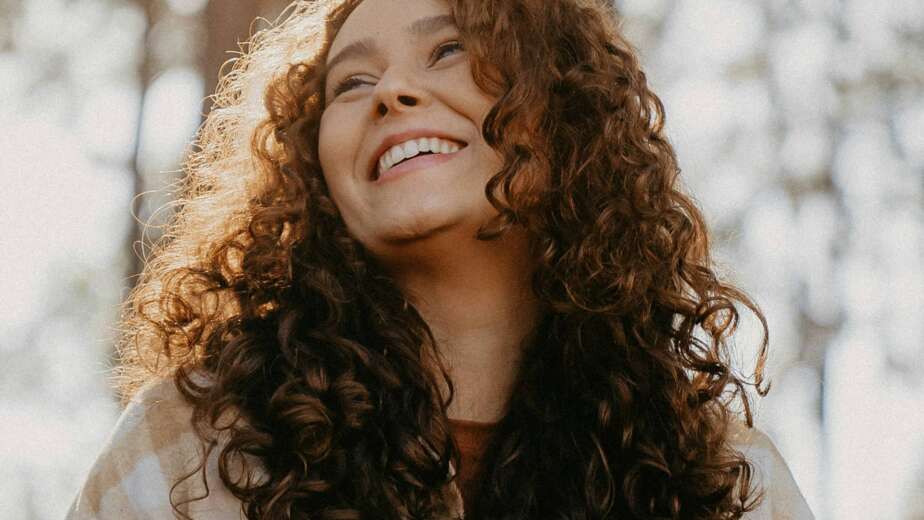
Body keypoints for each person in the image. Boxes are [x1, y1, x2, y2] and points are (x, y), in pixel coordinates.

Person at [67, 0, 815, 518]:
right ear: (312, 175)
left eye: (448, 49)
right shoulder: (191, 445)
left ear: (564, 113)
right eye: (351, 83)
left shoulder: (724, 478)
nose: (391, 92)